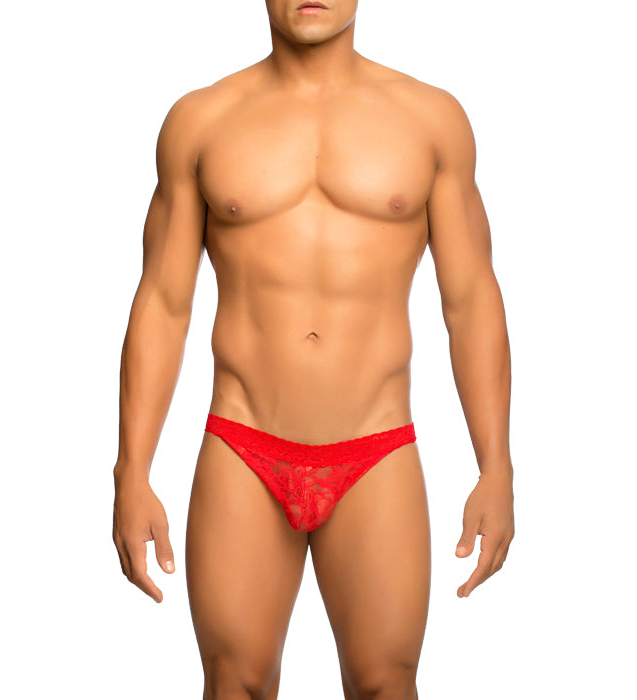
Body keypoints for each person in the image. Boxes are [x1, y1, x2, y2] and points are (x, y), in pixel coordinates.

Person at [112, 1, 515, 697]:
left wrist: (496, 466)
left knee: (387, 684)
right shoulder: (201, 121)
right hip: (244, 442)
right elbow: (163, 303)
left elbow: (471, 300)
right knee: (233, 683)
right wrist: (131, 472)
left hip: (375, 446)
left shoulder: (430, 120)